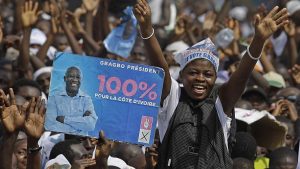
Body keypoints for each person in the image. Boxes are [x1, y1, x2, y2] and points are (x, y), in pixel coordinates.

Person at [133, 0, 289, 168]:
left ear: (215, 77)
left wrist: (258, 41)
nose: (200, 78)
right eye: (193, 73)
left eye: (208, 74)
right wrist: (147, 29)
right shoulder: (173, 96)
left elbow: (241, 76)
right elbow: (159, 66)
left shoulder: (221, 101)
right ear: (182, 74)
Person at [45, 66, 98, 136]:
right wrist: (81, 125)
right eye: (71, 76)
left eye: (78, 77)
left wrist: (65, 119)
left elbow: (91, 125)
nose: (75, 80)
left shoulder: (86, 99)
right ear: (65, 79)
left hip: (81, 142)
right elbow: (50, 125)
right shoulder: (54, 98)